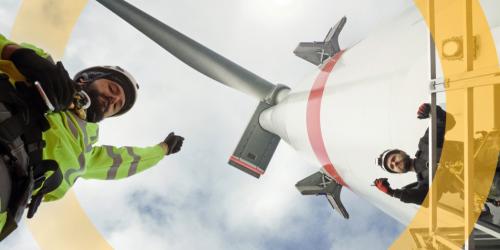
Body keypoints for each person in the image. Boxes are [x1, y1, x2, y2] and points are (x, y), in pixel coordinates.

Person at [0, 34, 184, 239]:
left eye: (117, 105)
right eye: (113, 89)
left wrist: (162, 149)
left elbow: (124, 161)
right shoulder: (44, 68)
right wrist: (19, 55)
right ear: (85, 79)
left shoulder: (85, 152)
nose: (114, 99)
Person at [372, 103, 455, 205]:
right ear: (399, 173)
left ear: (401, 152)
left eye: (393, 159)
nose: (395, 163)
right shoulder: (424, 183)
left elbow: (445, 122)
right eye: (392, 167)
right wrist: (392, 193)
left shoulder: (425, 145)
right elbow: (425, 199)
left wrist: (431, 110)